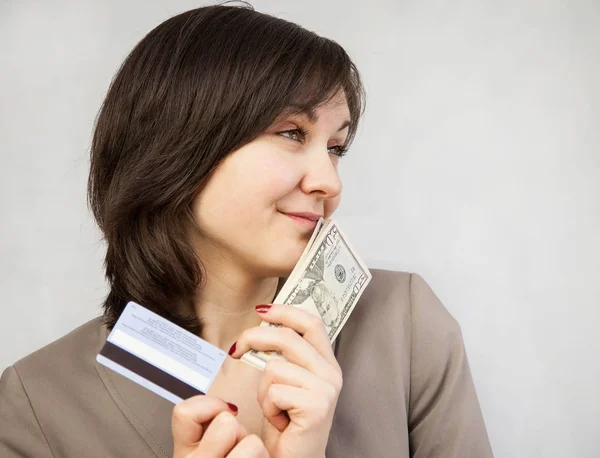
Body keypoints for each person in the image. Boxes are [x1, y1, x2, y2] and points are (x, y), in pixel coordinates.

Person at [0, 3, 494, 457]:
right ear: (176, 147)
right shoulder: (37, 401)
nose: (328, 181)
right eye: (291, 133)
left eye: (335, 147)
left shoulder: (403, 326)